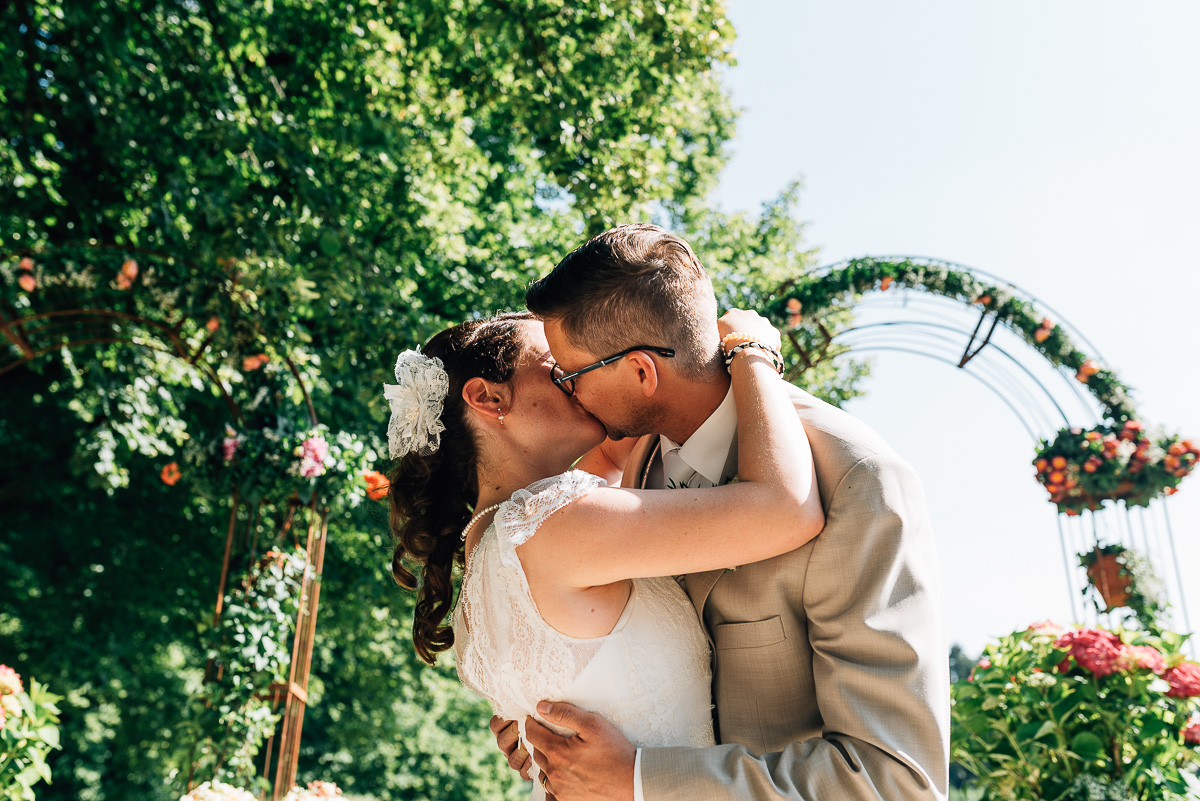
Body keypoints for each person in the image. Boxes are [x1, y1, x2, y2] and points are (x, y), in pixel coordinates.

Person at [491, 223, 950, 801]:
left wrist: (637, 780)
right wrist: (555, 731)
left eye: (570, 375)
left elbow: (893, 782)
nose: (567, 394)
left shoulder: (857, 481)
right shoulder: (631, 468)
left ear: (641, 372)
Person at [384, 307, 826, 800]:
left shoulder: (484, 542)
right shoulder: (553, 524)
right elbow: (786, 509)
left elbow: (629, 431)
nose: (583, 376)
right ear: (488, 397)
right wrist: (753, 351)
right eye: (561, 370)